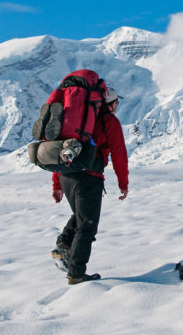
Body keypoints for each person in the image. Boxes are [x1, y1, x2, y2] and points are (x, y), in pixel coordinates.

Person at [51, 87, 129, 285]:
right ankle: (76, 272)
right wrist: (123, 183)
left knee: (80, 217)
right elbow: (119, 154)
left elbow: (61, 150)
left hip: (66, 176)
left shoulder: (76, 122)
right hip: (89, 178)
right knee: (87, 226)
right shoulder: (109, 121)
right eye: (116, 103)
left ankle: (63, 245)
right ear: (110, 104)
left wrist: (56, 183)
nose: (117, 106)